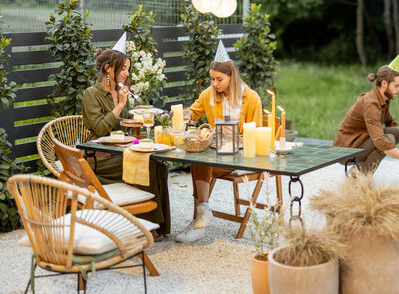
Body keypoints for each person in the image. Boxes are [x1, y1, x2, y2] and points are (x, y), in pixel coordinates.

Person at [82, 35, 171, 237]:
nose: (126, 73)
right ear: (108, 69)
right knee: (146, 166)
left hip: (120, 152)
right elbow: (99, 129)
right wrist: (121, 106)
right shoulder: (91, 94)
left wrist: (133, 113)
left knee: (159, 165)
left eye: (127, 69)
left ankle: (159, 224)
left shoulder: (120, 92)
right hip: (99, 159)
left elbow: (123, 127)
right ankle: (146, 226)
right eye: (123, 69)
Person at [175, 41, 263, 243]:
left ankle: (200, 219)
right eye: (212, 79)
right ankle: (203, 212)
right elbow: (193, 113)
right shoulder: (208, 95)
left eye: (219, 79)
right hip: (216, 155)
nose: (215, 83)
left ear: (232, 77)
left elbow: (255, 133)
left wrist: (233, 139)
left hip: (240, 158)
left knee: (201, 162)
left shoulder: (252, 98)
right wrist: (180, 114)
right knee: (198, 158)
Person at [333, 60, 399, 173]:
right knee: (387, 140)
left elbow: (390, 122)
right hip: (345, 150)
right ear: (384, 84)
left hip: (360, 140)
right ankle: (359, 178)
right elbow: (380, 141)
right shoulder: (371, 103)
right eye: (396, 86)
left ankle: (360, 168)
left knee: (398, 132)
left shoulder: (383, 98)